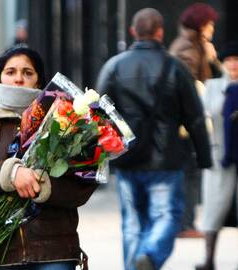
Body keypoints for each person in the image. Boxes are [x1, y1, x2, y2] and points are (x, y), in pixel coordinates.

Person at [0, 44, 97, 269]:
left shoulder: (65, 120)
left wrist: (47, 186)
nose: (19, 79)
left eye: (27, 73)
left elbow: (83, 183)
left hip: (53, 251)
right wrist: (9, 174)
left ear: (39, 81)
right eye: (11, 72)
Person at [96, 8, 212, 270]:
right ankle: (150, 254)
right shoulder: (176, 68)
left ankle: (137, 262)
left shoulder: (114, 67)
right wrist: (204, 156)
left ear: (133, 32)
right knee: (167, 216)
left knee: (132, 224)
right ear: (160, 32)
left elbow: (97, 114)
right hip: (166, 159)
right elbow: (194, 116)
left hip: (126, 158)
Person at [169, 3, 220, 238]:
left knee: (188, 171)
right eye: (209, 24)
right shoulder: (188, 48)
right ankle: (185, 224)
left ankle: (184, 222)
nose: (212, 29)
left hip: (185, 121)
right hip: (184, 124)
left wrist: (211, 58)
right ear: (200, 26)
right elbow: (191, 88)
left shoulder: (195, 46)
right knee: (188, 172)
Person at [196, 41, 238, 270]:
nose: (233, 65)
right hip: (219, 155)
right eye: (229, 60)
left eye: (237, 61)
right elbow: (203, 118)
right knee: (213, 208)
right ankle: (209, 260)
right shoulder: (212, 86)